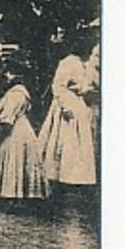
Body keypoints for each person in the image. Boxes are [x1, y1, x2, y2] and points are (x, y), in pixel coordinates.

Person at [37, 42, 98, 188]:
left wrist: (87, 91)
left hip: (79, 103)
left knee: (78, 144)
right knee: (62, 141)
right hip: (67, 103)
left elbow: (87, 84)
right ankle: (57, 176)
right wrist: (65, 106)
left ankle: (74, 176)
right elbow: (58, 86)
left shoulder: (86, 63)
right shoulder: (67, 62)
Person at [0, 71, 49, 201]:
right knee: (21, 159)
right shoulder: (21, 92)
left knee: (13, 158)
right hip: (22, 127)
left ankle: (11, 193)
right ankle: (18, 194)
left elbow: (7, 118)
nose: (7, 77)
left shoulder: (16, 94)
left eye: (9, 74)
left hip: (15, 130)